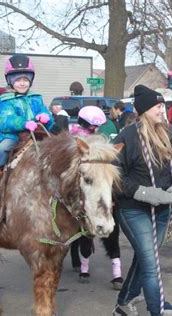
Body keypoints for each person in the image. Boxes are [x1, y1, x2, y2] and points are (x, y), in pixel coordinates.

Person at [112, 85, 172, 316]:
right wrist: (143, 192)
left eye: (163, 106)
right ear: (144, 110)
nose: (162, 111)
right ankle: (157, 308)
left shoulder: (170, 136)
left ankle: (124, 303)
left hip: (162, 208)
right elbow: (114, 175)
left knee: (146, 258)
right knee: (151, 264)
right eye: (157, 107)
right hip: (133, 208)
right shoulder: (127, 137)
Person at [0, 54, 54, 202]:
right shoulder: (5, 100)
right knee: (2, 149)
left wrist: (46, 117)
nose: (22, 83)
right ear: (10, 81)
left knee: (57, 148)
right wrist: (24, 123)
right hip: (13, 136)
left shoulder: (36, 97)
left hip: (36, 134)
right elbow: (4, 119)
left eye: (25, 79)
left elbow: (44, 111)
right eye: (18, 80)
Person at [68, 106, 124, 289]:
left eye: (97, 126)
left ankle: (116, 271)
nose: (95, 129)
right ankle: (79, 261)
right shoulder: (74, 140)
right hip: (82, 187)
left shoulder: (101, 140)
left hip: (100, 186)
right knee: (79, 225)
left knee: (112, 229)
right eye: (92, 126)